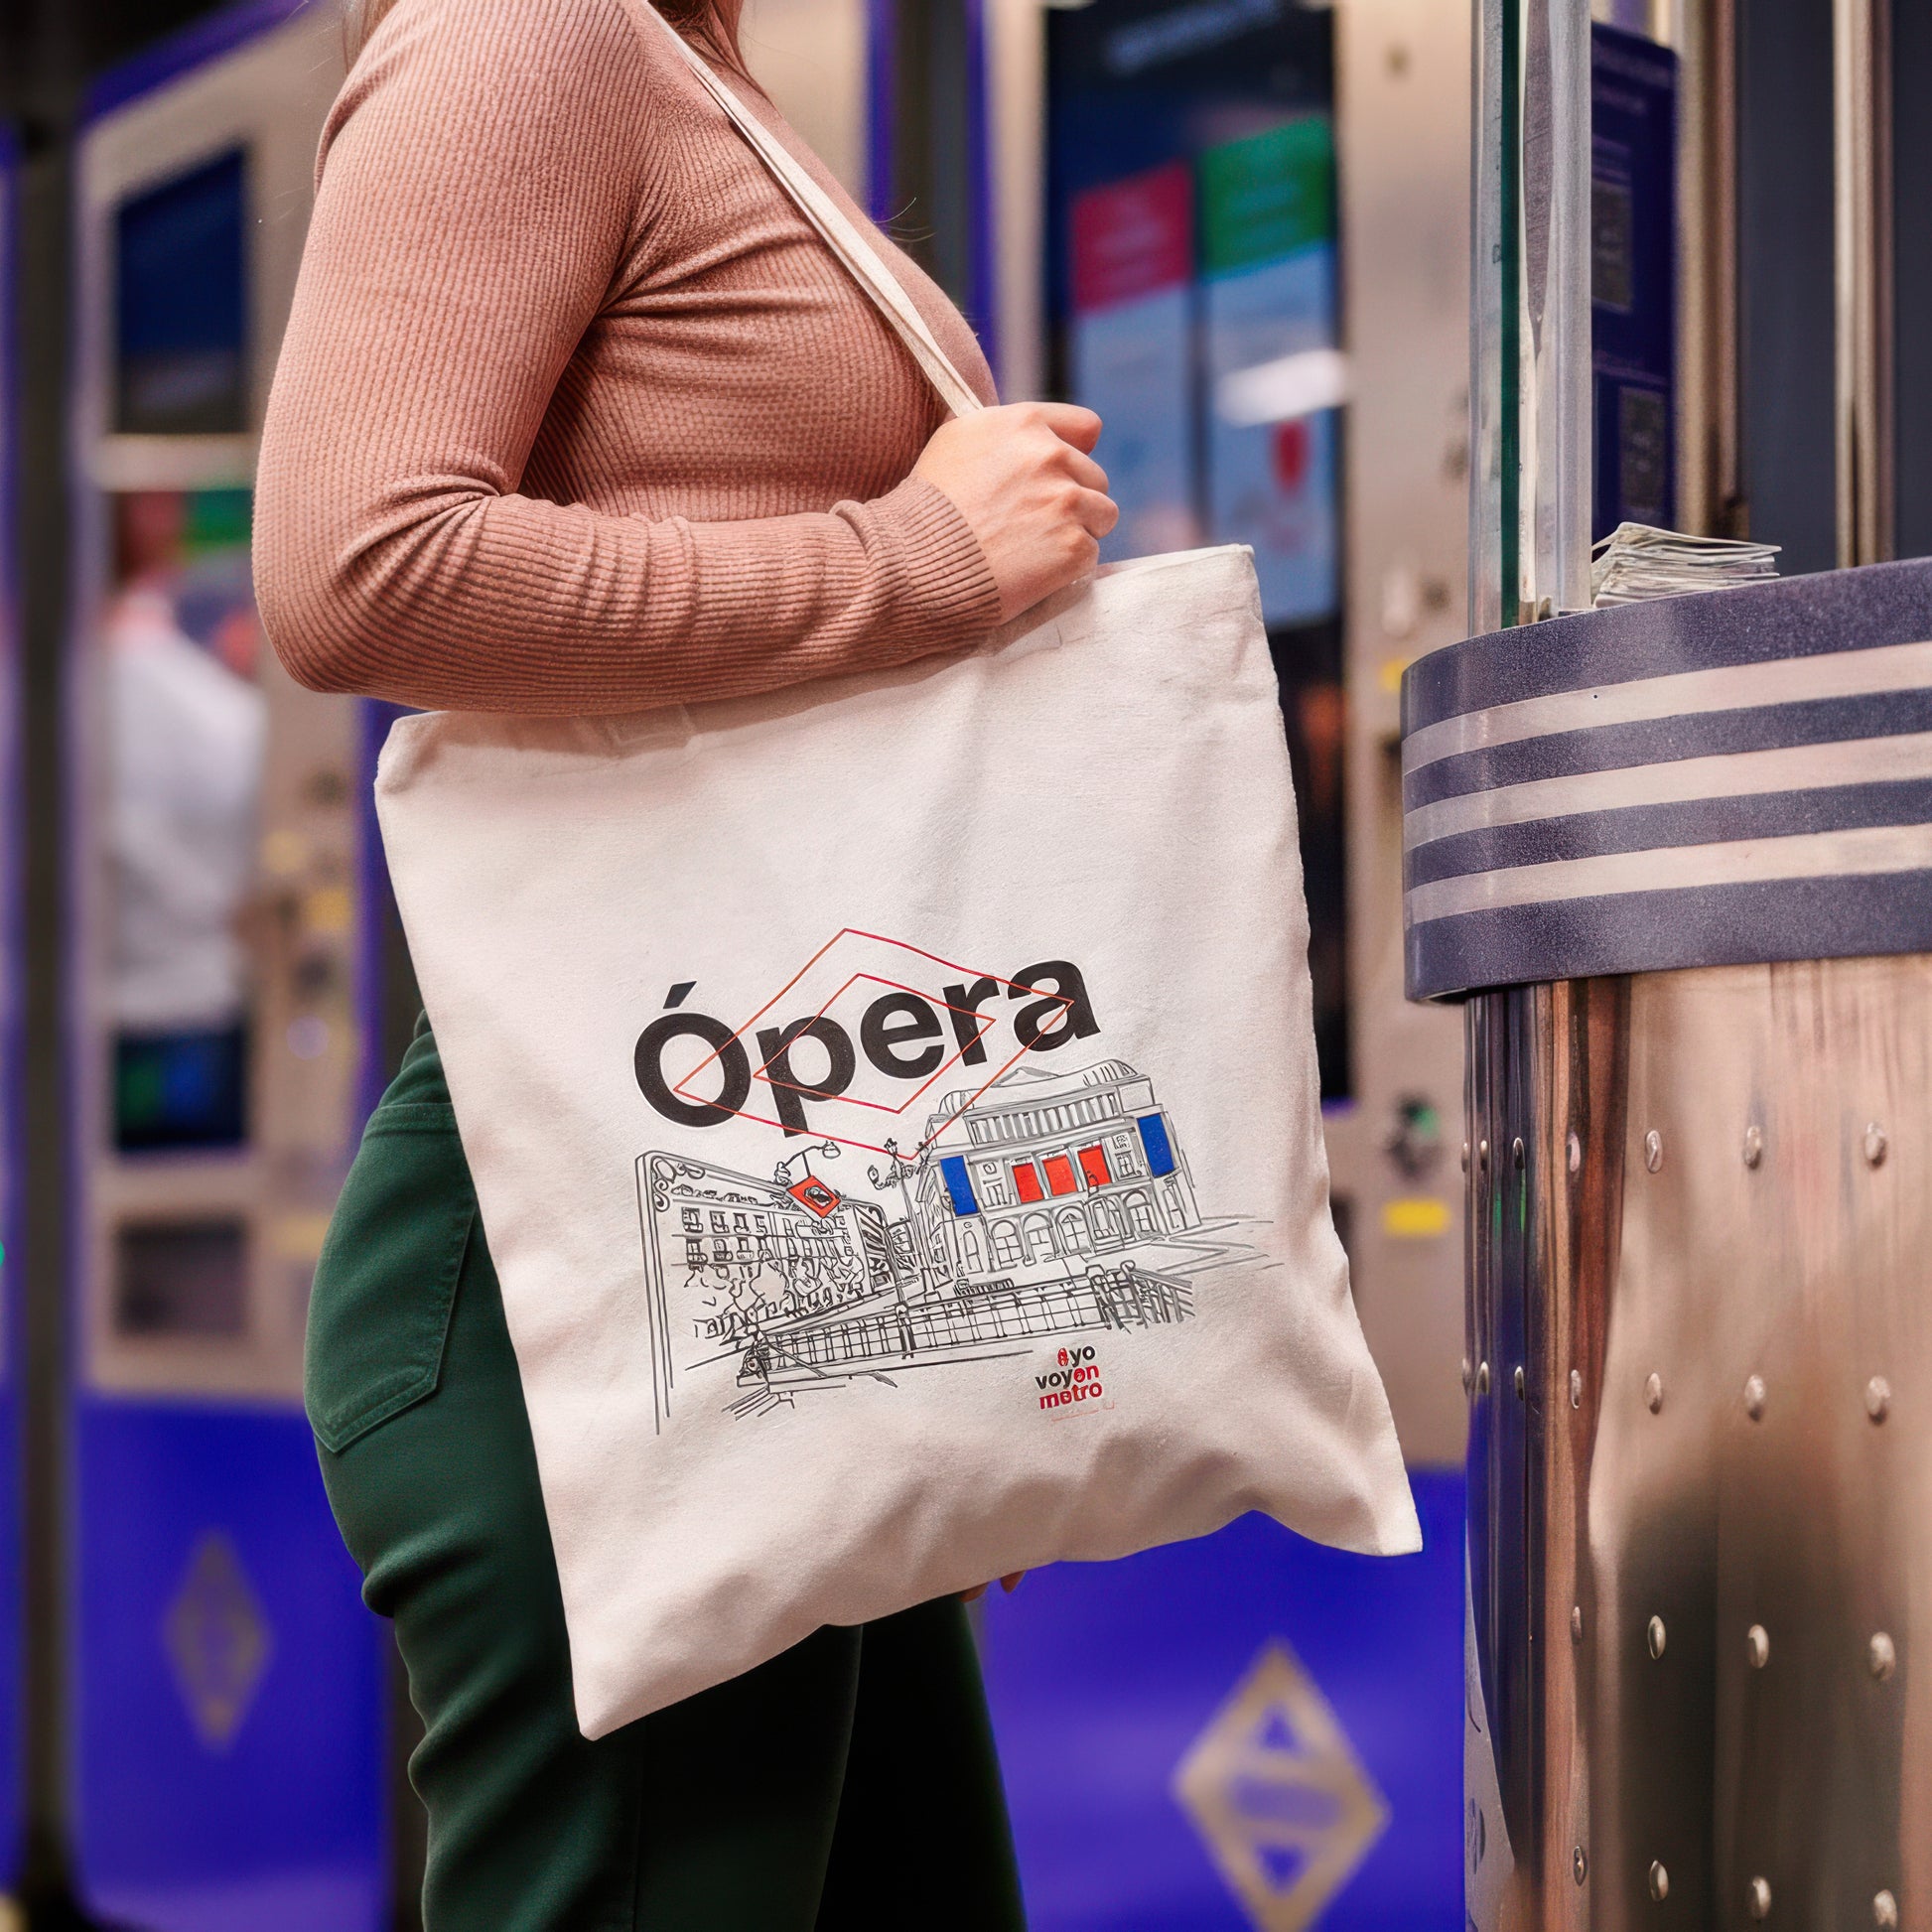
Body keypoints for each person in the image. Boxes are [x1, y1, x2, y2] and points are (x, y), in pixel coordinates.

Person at [254, 0, 1117, 1924]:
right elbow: (353, 565)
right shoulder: (533, 29)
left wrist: (944, 1313)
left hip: (777, 1228)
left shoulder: (684, 57)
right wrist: (914, 558)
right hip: (593, 1251)